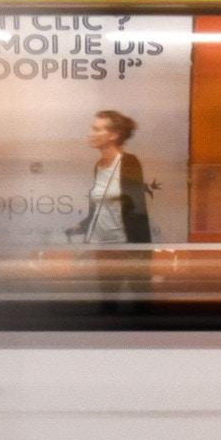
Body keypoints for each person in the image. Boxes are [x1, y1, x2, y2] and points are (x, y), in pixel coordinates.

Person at [69, 109, 152, 313]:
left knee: (141, 304)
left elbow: (137, 207)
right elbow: (100, 206)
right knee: (108, 304)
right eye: (92, 129)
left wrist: (141, 249)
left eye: (97, 129)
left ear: (113, 135)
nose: (91, 133)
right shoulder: (99, 165)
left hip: (125, 243)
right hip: (103, 244)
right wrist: (83, 225)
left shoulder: (129, 162)